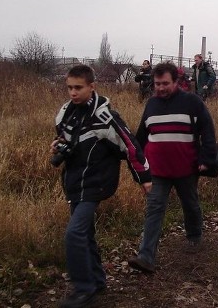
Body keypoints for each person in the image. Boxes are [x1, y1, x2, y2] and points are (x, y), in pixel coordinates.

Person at [51, 65, 152, 308]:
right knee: (85, 234)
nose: (73, 93)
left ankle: (84, 289)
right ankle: (97, 279)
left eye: (78, 87)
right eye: (69, 88)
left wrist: (145, 179)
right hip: (74, 182)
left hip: (96, 183)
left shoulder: (105, 117)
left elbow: (131, 145)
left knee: (74, 234)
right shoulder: (65, 112)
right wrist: (56, 147)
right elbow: (64, 139)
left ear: (91, 87)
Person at [128, 62, 218, 274]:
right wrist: (136, 162)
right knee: (154, 209)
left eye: (165, 83)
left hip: (186, 168)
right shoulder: (151, 105)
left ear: (176, 82)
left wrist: (206, 158)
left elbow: (208, 130)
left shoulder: (192, 102)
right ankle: (146, 256)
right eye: (157, 84)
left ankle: (194, 236)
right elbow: (141, 136)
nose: (160, 88)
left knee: (190, 204)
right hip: (157, 170)